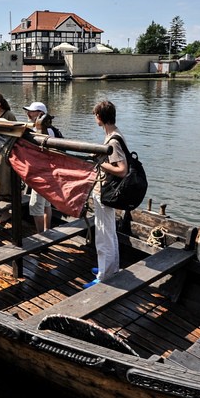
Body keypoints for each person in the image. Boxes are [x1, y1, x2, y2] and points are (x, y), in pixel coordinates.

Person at [85, 100, 128, 289]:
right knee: (107, 231)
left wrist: (98, 162)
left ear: (100, 117)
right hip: (105, 191)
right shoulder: (113, 134)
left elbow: (122, 169)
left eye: (95, 115)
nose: (95, 118)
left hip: (106, 191)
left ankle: (104, 275)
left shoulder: (113, 140)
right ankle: (110, 268)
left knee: (104, 233)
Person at [23, 101, 55, 232]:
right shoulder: (51, 130)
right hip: (49, 172)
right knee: (47, 204)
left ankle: (42, 236)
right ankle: (47, 230)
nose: (28, 114)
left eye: (32, 112)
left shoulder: (43, 131)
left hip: (41, 172)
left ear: (41, 114)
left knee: (35, 205)